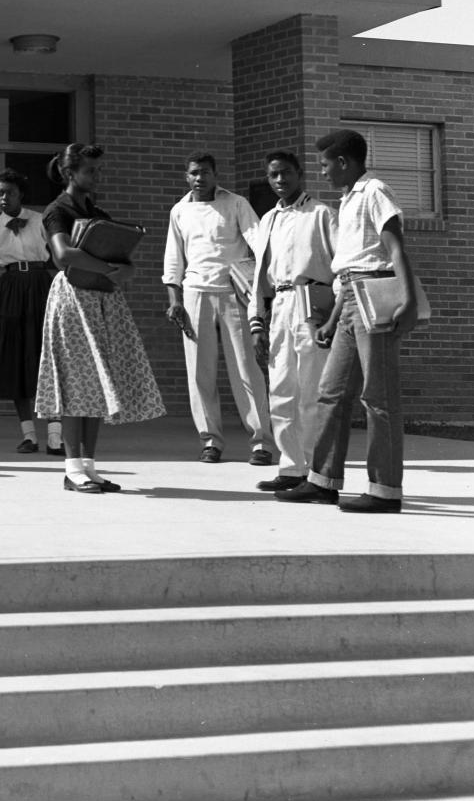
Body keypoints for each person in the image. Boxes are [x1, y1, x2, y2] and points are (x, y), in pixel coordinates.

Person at [285, 129, 425, 514]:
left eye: (326, 164)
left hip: (375, 298)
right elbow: (348, 266)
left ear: (344, 162)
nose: (324, 172)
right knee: (331, 392)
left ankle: (385, 490)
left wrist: (409, 301)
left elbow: (394, 246)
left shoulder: (374, 191)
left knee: (378, 397)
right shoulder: (347, 200)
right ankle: (322, 481)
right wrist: (332, 319)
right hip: (348, 300)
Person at [35, 144, 165, 494]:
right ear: (69, 173)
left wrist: (126, 268)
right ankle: (72, 468)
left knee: (95, 382)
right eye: (91, 170)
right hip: (73, 300)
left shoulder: (96, 212)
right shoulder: (56, 210)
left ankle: (88, 467)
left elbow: (121, 257)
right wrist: (110, 268)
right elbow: (63, 255)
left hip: (100, 299)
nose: (97, 176)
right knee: (77, 383)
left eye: (99, 170)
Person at [162, 152, 275, 465]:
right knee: (200, 373)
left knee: (247, 369)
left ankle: (261, 443)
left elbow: (260, 243)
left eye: (206, 172)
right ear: (187, 177)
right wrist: (174, 300)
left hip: (234, 294)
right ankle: (210, 441)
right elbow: (174, 259)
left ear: (215, 174)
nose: (200, 178)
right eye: (195, 173)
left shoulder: (236, 203)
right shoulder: (179, 211)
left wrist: (261, 286)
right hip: (195, 294)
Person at [246, 150, 338, 495]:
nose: (280, 180)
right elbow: (257, 277)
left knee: (311, 391)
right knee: (281, 390)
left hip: (311, 302)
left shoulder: (321, 214)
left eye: (286, 173)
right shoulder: (267, 219)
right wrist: (258, 322)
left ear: (300, 174)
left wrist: (332, 315)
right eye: (273, 175)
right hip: (280, 305)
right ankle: (291, 467)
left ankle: (317, 472)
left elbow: (339, 267)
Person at [0, 171, 60, 453]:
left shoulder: (40, 221)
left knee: (47, 359)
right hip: (9, 293)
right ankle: (29, 435)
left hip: (40, 287)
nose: (4, 197)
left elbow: (60, 258)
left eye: (9, 192)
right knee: (15, 361)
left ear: (20, 194)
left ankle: (55, 435)